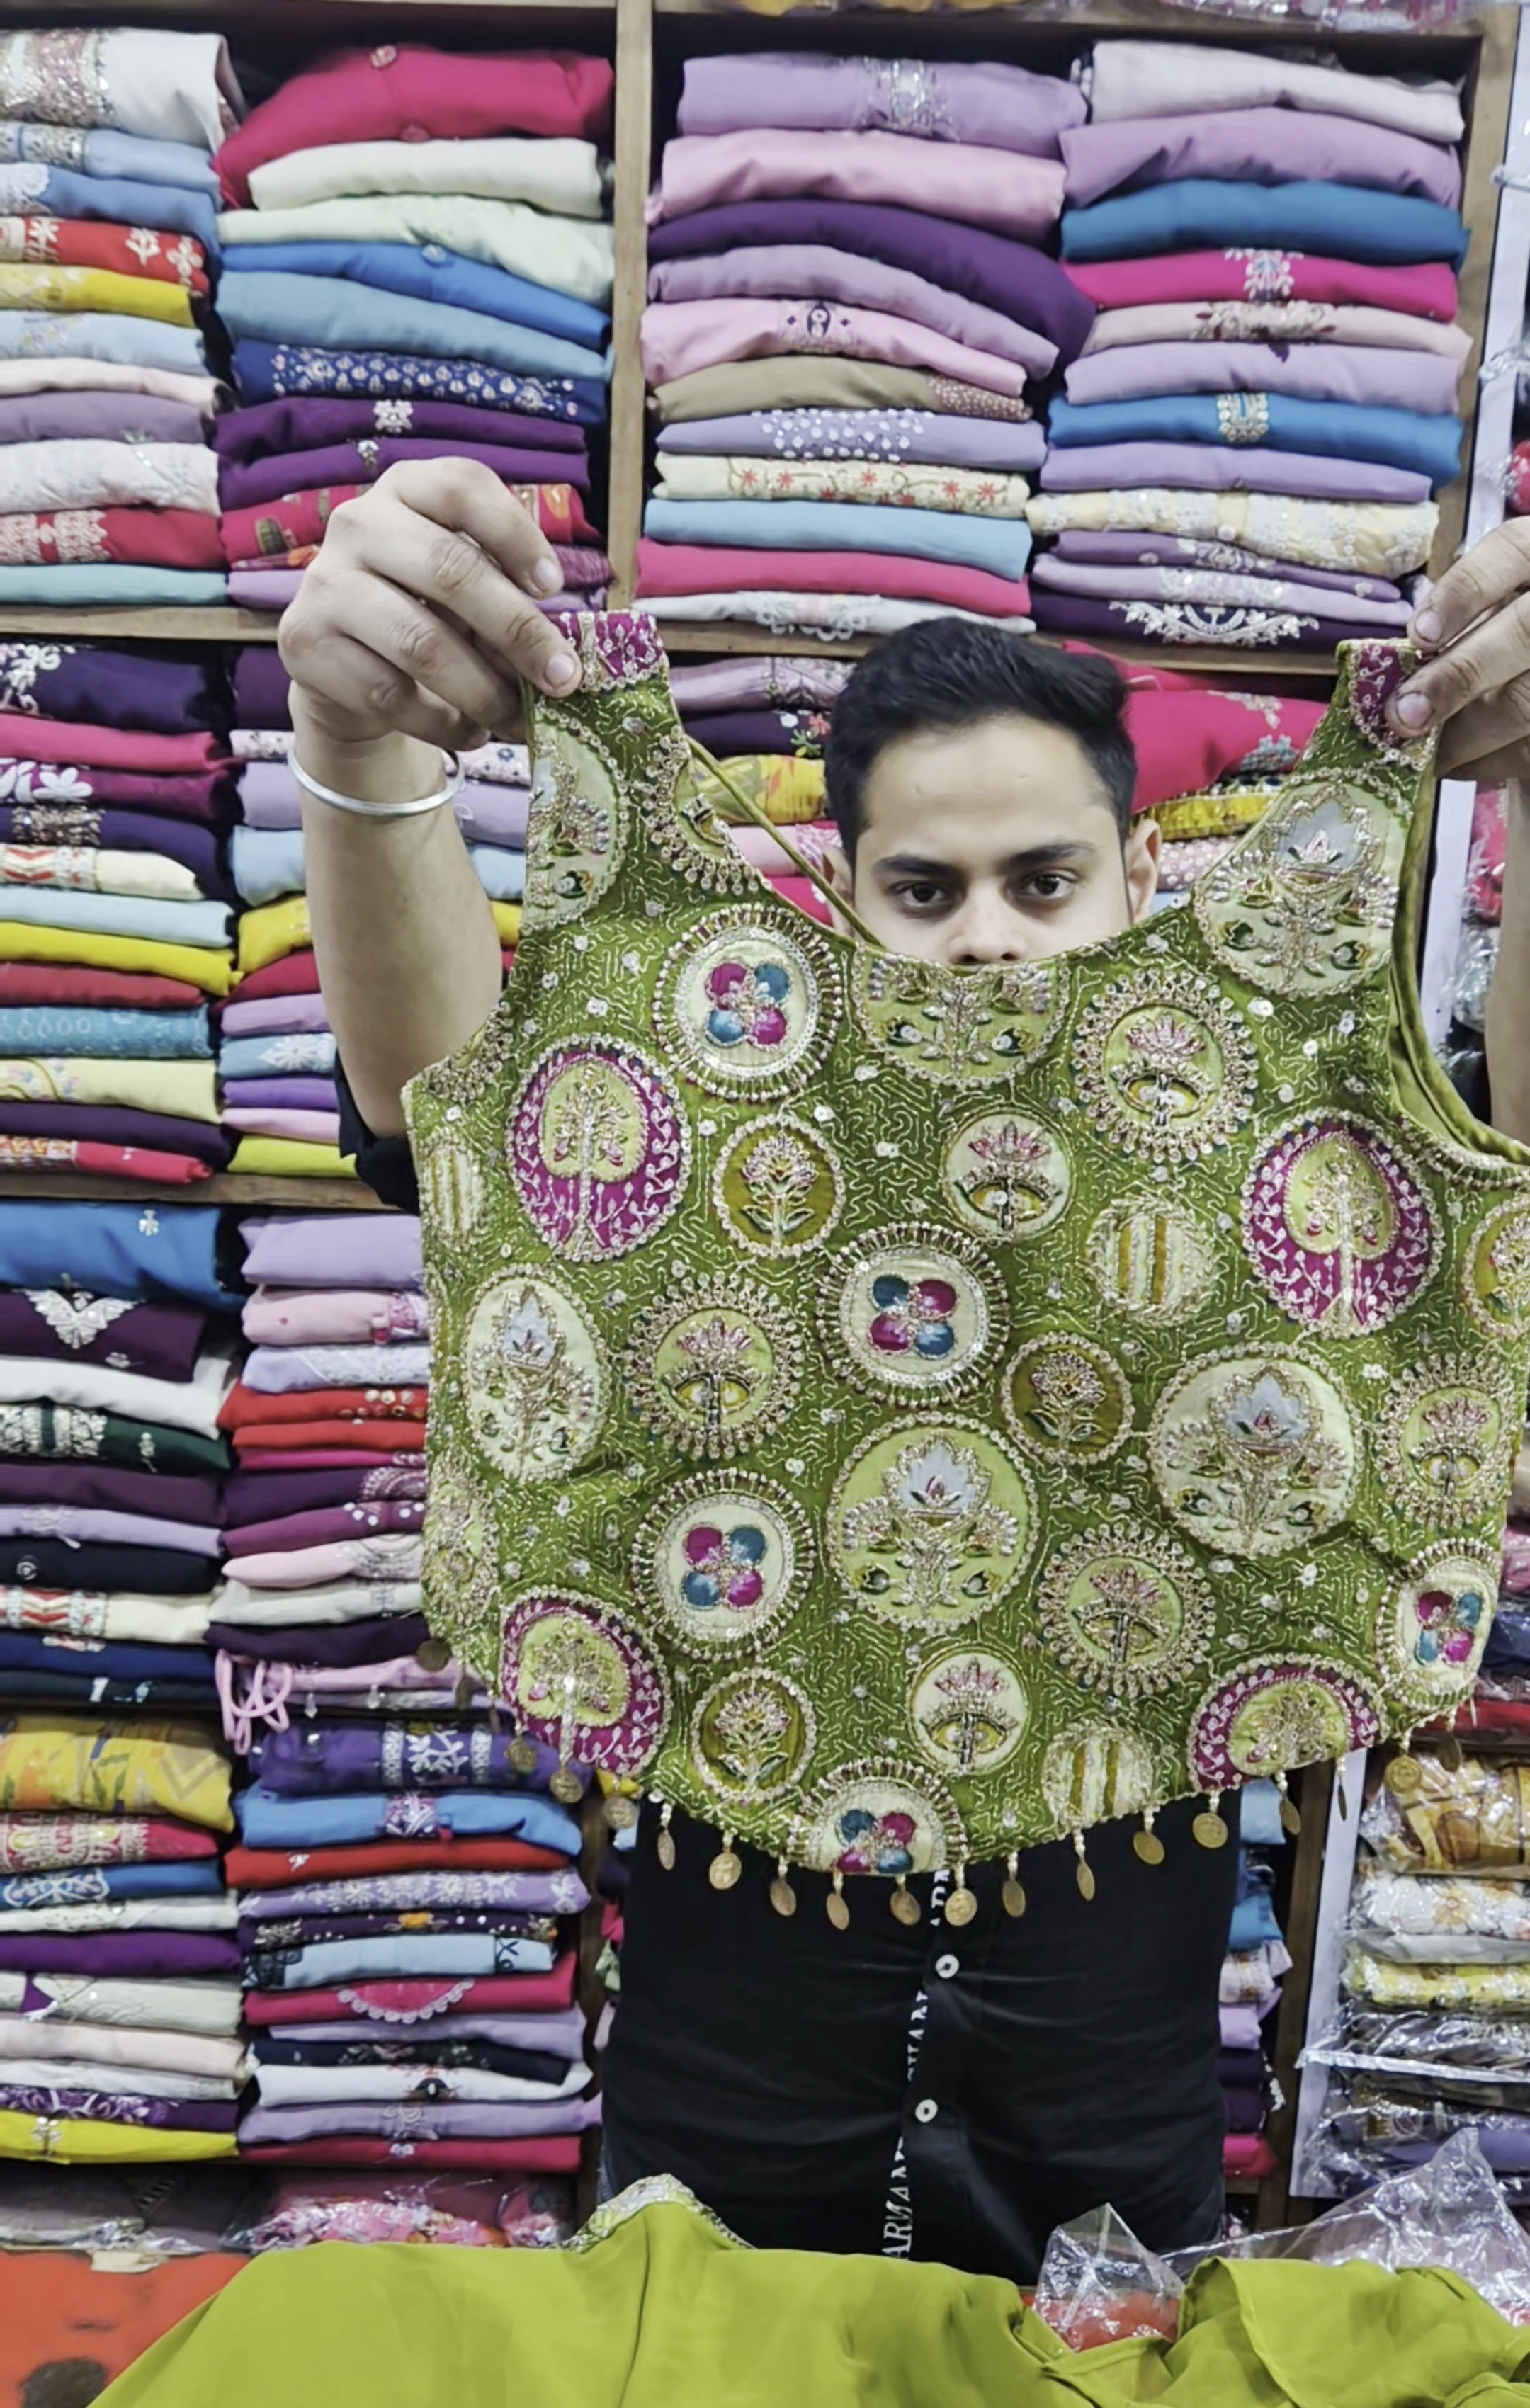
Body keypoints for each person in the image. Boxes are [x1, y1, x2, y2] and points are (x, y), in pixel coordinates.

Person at [278, 466, 1530, 2279]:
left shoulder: (1270, 1166)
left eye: (1045, 880)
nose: (992, 937)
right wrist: (359, 748)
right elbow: (449, 1124)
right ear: (840, 909)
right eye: (925, 889)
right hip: (712, 2188)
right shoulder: (705, 1152)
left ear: (1139, 881)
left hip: (1110, 2202)